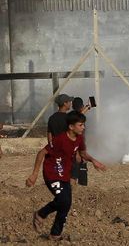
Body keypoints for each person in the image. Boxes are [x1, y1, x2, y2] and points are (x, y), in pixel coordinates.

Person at [26, 111, 106, 240]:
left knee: (66, 203)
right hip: (51, 174)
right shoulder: (60, 139)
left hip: (64, 175)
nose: (83, 127)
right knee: (63, 200)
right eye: (80, 125)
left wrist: (94, 161)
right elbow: (41, 153)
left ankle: (55, 234)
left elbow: (83, 154)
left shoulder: (79, 139)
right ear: (71, 127)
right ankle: (41, 214)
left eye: (84, 125)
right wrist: (34, 174)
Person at [70, 97, 91, 185]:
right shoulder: (77, 120)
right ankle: (80, 192)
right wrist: (79, 153)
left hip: (74, 151)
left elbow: (80, 114)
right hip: (78, 151)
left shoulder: (71, 116)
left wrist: (87, 107)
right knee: (79, 175)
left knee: (73, 174)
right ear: (81, 106)